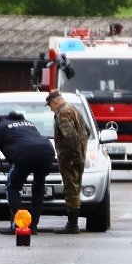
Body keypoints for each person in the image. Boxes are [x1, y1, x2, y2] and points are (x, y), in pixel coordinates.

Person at [0, 111, 54, 233]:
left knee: (12, 187)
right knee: (38, 187)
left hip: (25, 154)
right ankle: (33, 226)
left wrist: (0, 146)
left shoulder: (0, 127)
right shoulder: (28, 123)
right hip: (47, 152)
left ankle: (19, 225)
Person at [46, 89, 90, 233]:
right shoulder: (74, 109)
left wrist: (69, 157)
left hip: (70, 158)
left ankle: (72, 225)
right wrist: (81, 150)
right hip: (80, 156)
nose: (51, 109)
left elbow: (69, 137)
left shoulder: (62, 114)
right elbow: (87, 131)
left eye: (50, 105)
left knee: (70, 189)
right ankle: (73, 222)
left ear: (55, 102)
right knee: (76, 189)